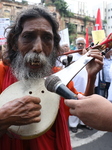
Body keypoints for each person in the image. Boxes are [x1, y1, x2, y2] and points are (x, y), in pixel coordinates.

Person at [0, 6, 103, 150]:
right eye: (28, 36)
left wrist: (91, 77)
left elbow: (82, 108)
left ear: (54, 46)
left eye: (47, 38)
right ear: (14, 43)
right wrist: (3, 118)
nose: (38, 48)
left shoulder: (58, 79)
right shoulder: (1, 72)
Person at [69, 37, 91, 133]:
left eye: (82, 44)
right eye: (79, 44)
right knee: (74, 104)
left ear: (85, 45)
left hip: (85, 84)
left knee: (85, 104)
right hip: (74, 85)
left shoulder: (88, 56)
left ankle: (83, 122)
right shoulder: (72, 56)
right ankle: (73, 124)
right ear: (76, 45)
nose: (80, 45)